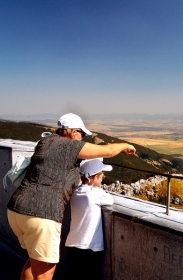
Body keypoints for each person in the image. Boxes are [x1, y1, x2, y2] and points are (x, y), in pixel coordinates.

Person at [7, 113, 136, 280]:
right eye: (81, 134)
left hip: (17, 209)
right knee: (45, 272)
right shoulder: (70, 146)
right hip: (41, 214)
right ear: (73, 132)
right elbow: (109, 151)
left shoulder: (45, 142)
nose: (82, 139)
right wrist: (125, 145)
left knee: (33, 263)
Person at [65, 159, 114, 280]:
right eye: (101, 175)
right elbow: (111, 199)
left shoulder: (75, 191)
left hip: (72, 243)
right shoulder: (94, 194)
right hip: (89, 247)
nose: (103, 178)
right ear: (94, 177)